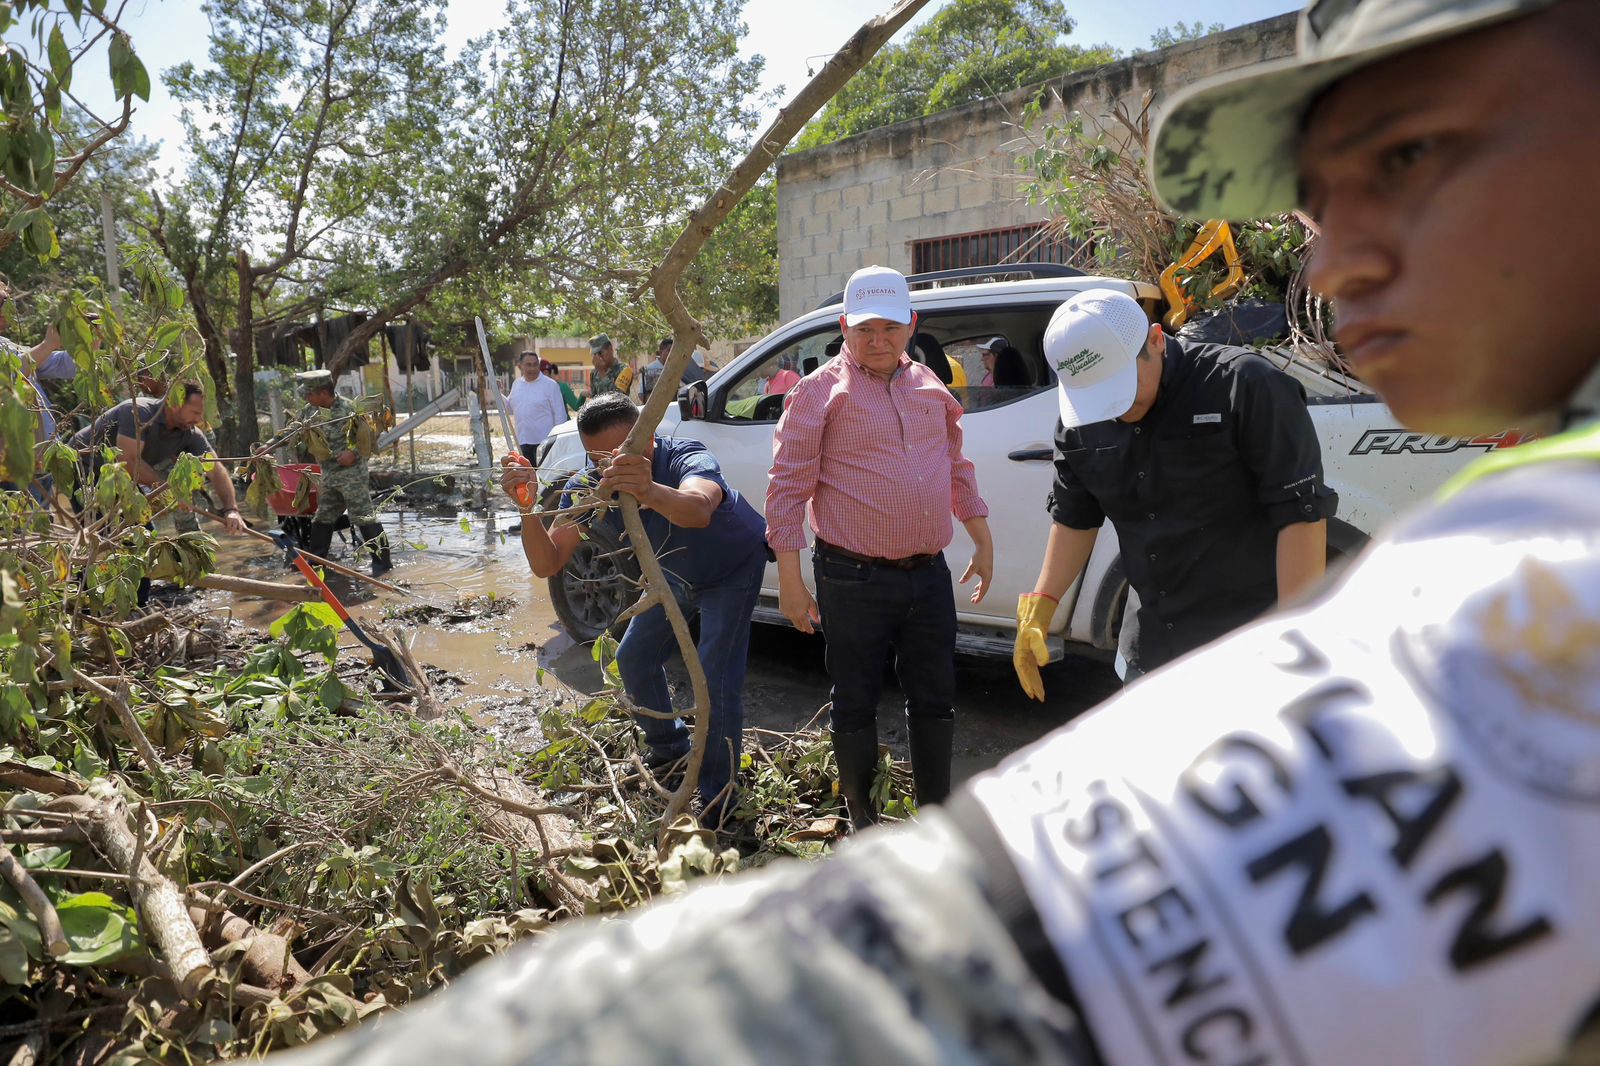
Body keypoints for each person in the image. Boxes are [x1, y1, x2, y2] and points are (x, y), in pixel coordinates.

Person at [276, 3, 1600, 1064]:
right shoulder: (807, 398)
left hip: (985, 590)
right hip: (870, 581)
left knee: (921, 715)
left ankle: (857, 797)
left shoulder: (1533, 564)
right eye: (1312, 209)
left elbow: (1000, 943)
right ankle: (830, 804)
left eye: (1411, 154)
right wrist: (969, 593)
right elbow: (1032, 509)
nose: (1332, 262)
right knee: (825, 703)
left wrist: (999, 550)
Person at [1014, 287, 1336, 691]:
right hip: (1150, 649)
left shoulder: (1244, 386)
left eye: (1120, 387)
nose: (1115, 409)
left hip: (1249, 650)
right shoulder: (1082, 421)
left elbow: (1300, 515)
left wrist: (1294, 640)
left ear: (1155, 340)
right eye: (1097, 396)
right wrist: (1042, 603)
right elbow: (1074, 517)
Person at [766, 264, 993, 828]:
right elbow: (787, 490)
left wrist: (981, 540)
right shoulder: (817, 394)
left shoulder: (929, 386)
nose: (878, 340)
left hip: (928, 575)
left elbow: (956, 467)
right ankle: (865, 827)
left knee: (935, 696)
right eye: (865, 328)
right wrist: (791, 582)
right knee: (855, 700)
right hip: (852, 578)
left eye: (890, 328)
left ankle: (935, 823)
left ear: (911, 324)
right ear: (844, 327)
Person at [502, 393, 767, 827]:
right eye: (599, 458)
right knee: (633, 659)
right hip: (672, 573)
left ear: (649, 435)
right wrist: (527, 506)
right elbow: (548, 562)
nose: (611, 466)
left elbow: (699, 509)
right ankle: (670, 750)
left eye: (624, 452)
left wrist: (647, 489)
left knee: (715, 678)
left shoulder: (686, 455)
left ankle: (719, 797)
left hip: (730, 567)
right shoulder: (590, 486)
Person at [69, 382, 248, 538]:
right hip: (82, 467)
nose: (199, 419)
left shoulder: (190, 433)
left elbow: (217, 471)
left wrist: (231, 510)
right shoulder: (138, 411)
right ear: (174, 403)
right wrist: (170, 492)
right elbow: (128, 461)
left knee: (143, 537)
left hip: (120, 478)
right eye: (195, 412)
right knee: (103, 539)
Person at [291, 370, 391, 576]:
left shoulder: (350, 410)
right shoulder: (310, 412)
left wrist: (353, 453)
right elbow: (290, 432)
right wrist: (266, 447)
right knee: (323, 517)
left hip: (351, 475)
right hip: (329, 477)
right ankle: (316, 565)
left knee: (363, 517)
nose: (306, 398)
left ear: (323, 393)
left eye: (309, 394)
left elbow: (369, 437)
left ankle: (383, 567)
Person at [506, 350, 566, 465]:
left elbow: (560, 415)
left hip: (545, 443)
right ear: (520, 366)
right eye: (528, 365)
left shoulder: (550, 385)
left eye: (535, 364)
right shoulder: (516, 384)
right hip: (523, 441)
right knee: (528, 474)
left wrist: (559, 441)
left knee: (545, 474)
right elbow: (510, 409)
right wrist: (498, 392)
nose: (532, 368)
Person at [587, 334, 634, 399]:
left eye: (600, 353)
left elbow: (617, 397)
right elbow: (595, 398)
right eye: (595, 354)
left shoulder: (624, 370)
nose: (598, 357)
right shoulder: (594, 373)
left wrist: (602, 373)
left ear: (610, 349)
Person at [639, 337, 670, 402]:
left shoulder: (676, 369)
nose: (671, 353)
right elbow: (642, 394)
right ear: (661, 352)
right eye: (669, 350)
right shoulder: (650, 369)